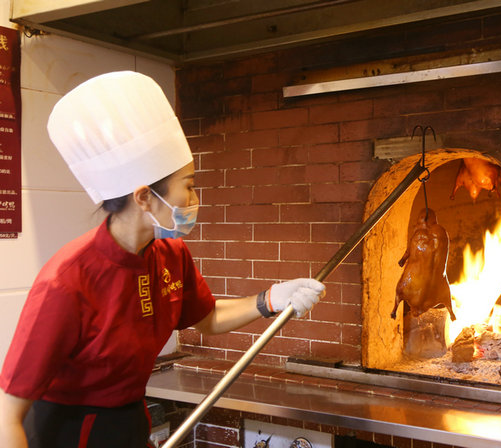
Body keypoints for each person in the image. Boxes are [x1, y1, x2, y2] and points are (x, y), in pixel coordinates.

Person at [0, 71, 324, 448]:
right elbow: (8, 416)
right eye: (188, 186)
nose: (194, 199)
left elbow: (207, 319)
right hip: (70, 433)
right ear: (144, 198)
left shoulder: (170, 253)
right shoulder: (67, 279)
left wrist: (270, 300)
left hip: (129, 423)